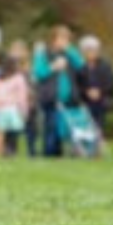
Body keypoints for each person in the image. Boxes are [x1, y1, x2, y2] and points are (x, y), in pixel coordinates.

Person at [33, 26, 84, 157]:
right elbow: (38, 73)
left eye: (67, 38)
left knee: (65, 130)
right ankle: (49, 154)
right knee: (52, 128)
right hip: (50, 98)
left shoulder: (70, 54)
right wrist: (53, 67)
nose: (64, 41)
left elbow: (81, 66)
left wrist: (70, 50)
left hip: (68, 99)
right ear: (54, 39)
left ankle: (62, 154)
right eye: (61, 38)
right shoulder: (43, 53)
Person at [76, 36, 113, 138]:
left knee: (99, 126)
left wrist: (100, 91)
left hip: (101, 102)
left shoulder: (105, 66)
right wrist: (86, 92)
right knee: (85, 126)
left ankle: (98, 146)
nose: (91, 53)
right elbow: (77, 84)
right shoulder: (80, 67)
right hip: (85, 102)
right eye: (88, 50)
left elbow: (111, 83)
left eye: (94, 50)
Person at [0, 55, 29, 158]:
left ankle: (5, 151)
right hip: (13, 109)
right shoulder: (19, 78)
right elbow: (22, 96)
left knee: (3, 133)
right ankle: (10, 152)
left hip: (0, 110)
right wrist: (24, 111)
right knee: (13, 133)